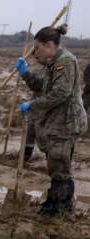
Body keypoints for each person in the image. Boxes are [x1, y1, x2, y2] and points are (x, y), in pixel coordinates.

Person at [16, 24, 87, 215]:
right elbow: (42, 87)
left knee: (59, 165)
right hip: (57, 123)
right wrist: (25, 74)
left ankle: (59, 207)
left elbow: (60, 94)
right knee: (57, 163)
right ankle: (56, 202)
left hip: (66, 123)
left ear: (49, 45)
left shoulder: (65, 62)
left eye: (36, 49)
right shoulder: (52, 64)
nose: (34, 54)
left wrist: (32, 105)